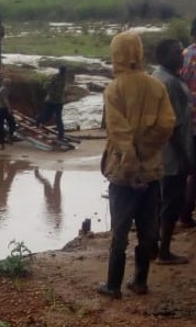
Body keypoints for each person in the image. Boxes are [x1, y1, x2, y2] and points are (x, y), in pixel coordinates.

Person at [98, 31, 176, 299]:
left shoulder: (114, 89)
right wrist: (146, 150)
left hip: (123, 174)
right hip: (152, 170)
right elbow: (167, 125)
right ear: (139, 52)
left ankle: (113, 286)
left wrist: (131, 166)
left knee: (119, 232)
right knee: (147, 230)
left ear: (116, 54)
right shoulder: (157, 86)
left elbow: (119, 134)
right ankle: (140, 281)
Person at [152, 38, 193, 264]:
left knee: (161, 200)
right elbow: (174, 126)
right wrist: (185, 158)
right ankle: (164, 252)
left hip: (161, 152)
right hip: (172, 154)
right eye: (178, 53)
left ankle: (154, 247)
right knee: (171, 201)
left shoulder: (161, 77)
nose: (182, 56)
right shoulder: (169, 83)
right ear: (164, 57)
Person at [180, 30, 196, 228]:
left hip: (182, 122)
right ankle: (186, 211)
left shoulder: (181, 55)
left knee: (185, 169)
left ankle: (180, 211)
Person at [36, 66, 67, 139]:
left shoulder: (64, 78)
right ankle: (38, 119)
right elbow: (46, 85)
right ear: (60, 70)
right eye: (63, 71)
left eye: (64, 71)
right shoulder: (54, 77)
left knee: (59, 118)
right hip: (50, 101)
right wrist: (51, 93)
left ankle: (61, 135)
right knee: (47, 117)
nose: (64, 72)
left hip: (59, 102)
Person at [0, 78, 17, 148]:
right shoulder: (5, 89)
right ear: (7, 83)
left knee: (0, 126)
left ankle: (1, 142)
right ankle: (8, 137)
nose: (10, 85)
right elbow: (5, 100)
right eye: (9, 83)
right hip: (3, 109)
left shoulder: (0, 89)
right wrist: (9, 109)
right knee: (12, 123)